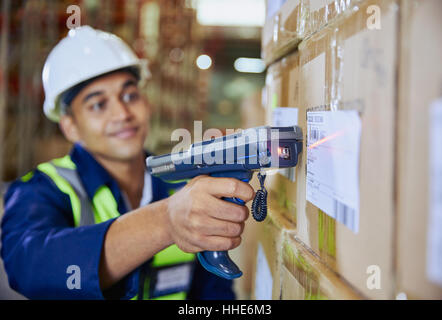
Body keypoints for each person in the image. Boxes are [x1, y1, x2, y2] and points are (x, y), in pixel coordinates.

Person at [1, 26, 254, 300]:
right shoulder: (42, 189)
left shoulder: (181, 184)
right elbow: (31, 268)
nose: (122, 113)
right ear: (70, 126)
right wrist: (166, 221)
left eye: (130, 95)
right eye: (98, 105)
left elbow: (212, 293)